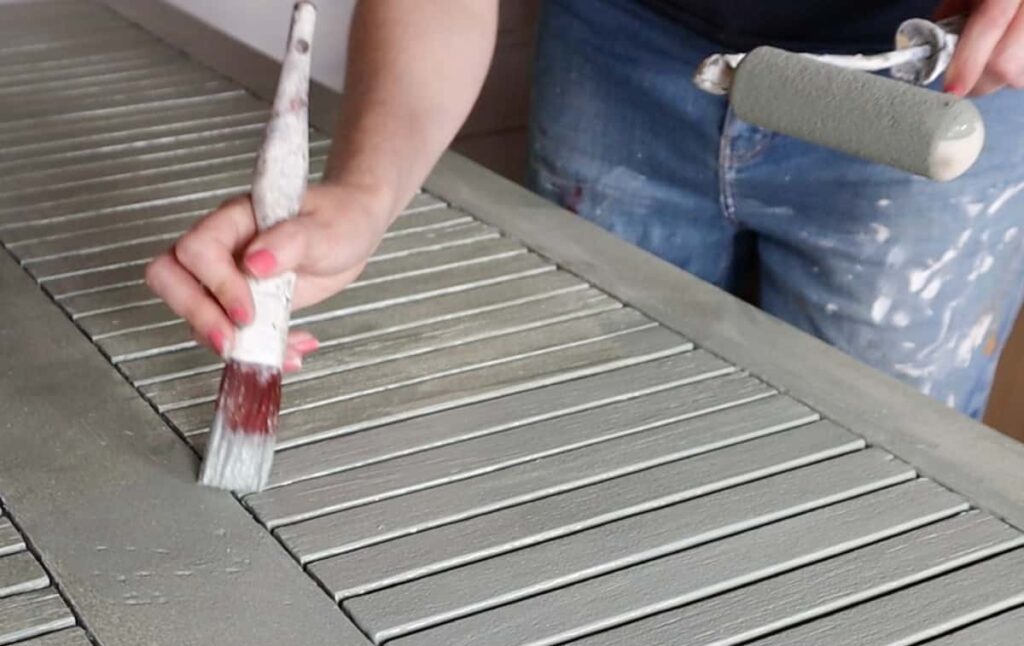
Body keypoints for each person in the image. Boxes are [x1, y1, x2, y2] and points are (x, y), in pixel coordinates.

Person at [145, 0, 1024, 419]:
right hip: (623, 41)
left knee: (871, 485)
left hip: (932, 102)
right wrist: (367, 191)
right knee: (596, 427)